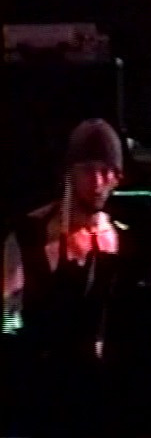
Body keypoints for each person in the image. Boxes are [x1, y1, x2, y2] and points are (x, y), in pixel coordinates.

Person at [2, 118, 126, 358]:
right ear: (70, 173)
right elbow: (7, 316)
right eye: (88, 170)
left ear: (117, 177)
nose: (97, 182)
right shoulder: (29, 235)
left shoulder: (122, 240)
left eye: (105, 171)